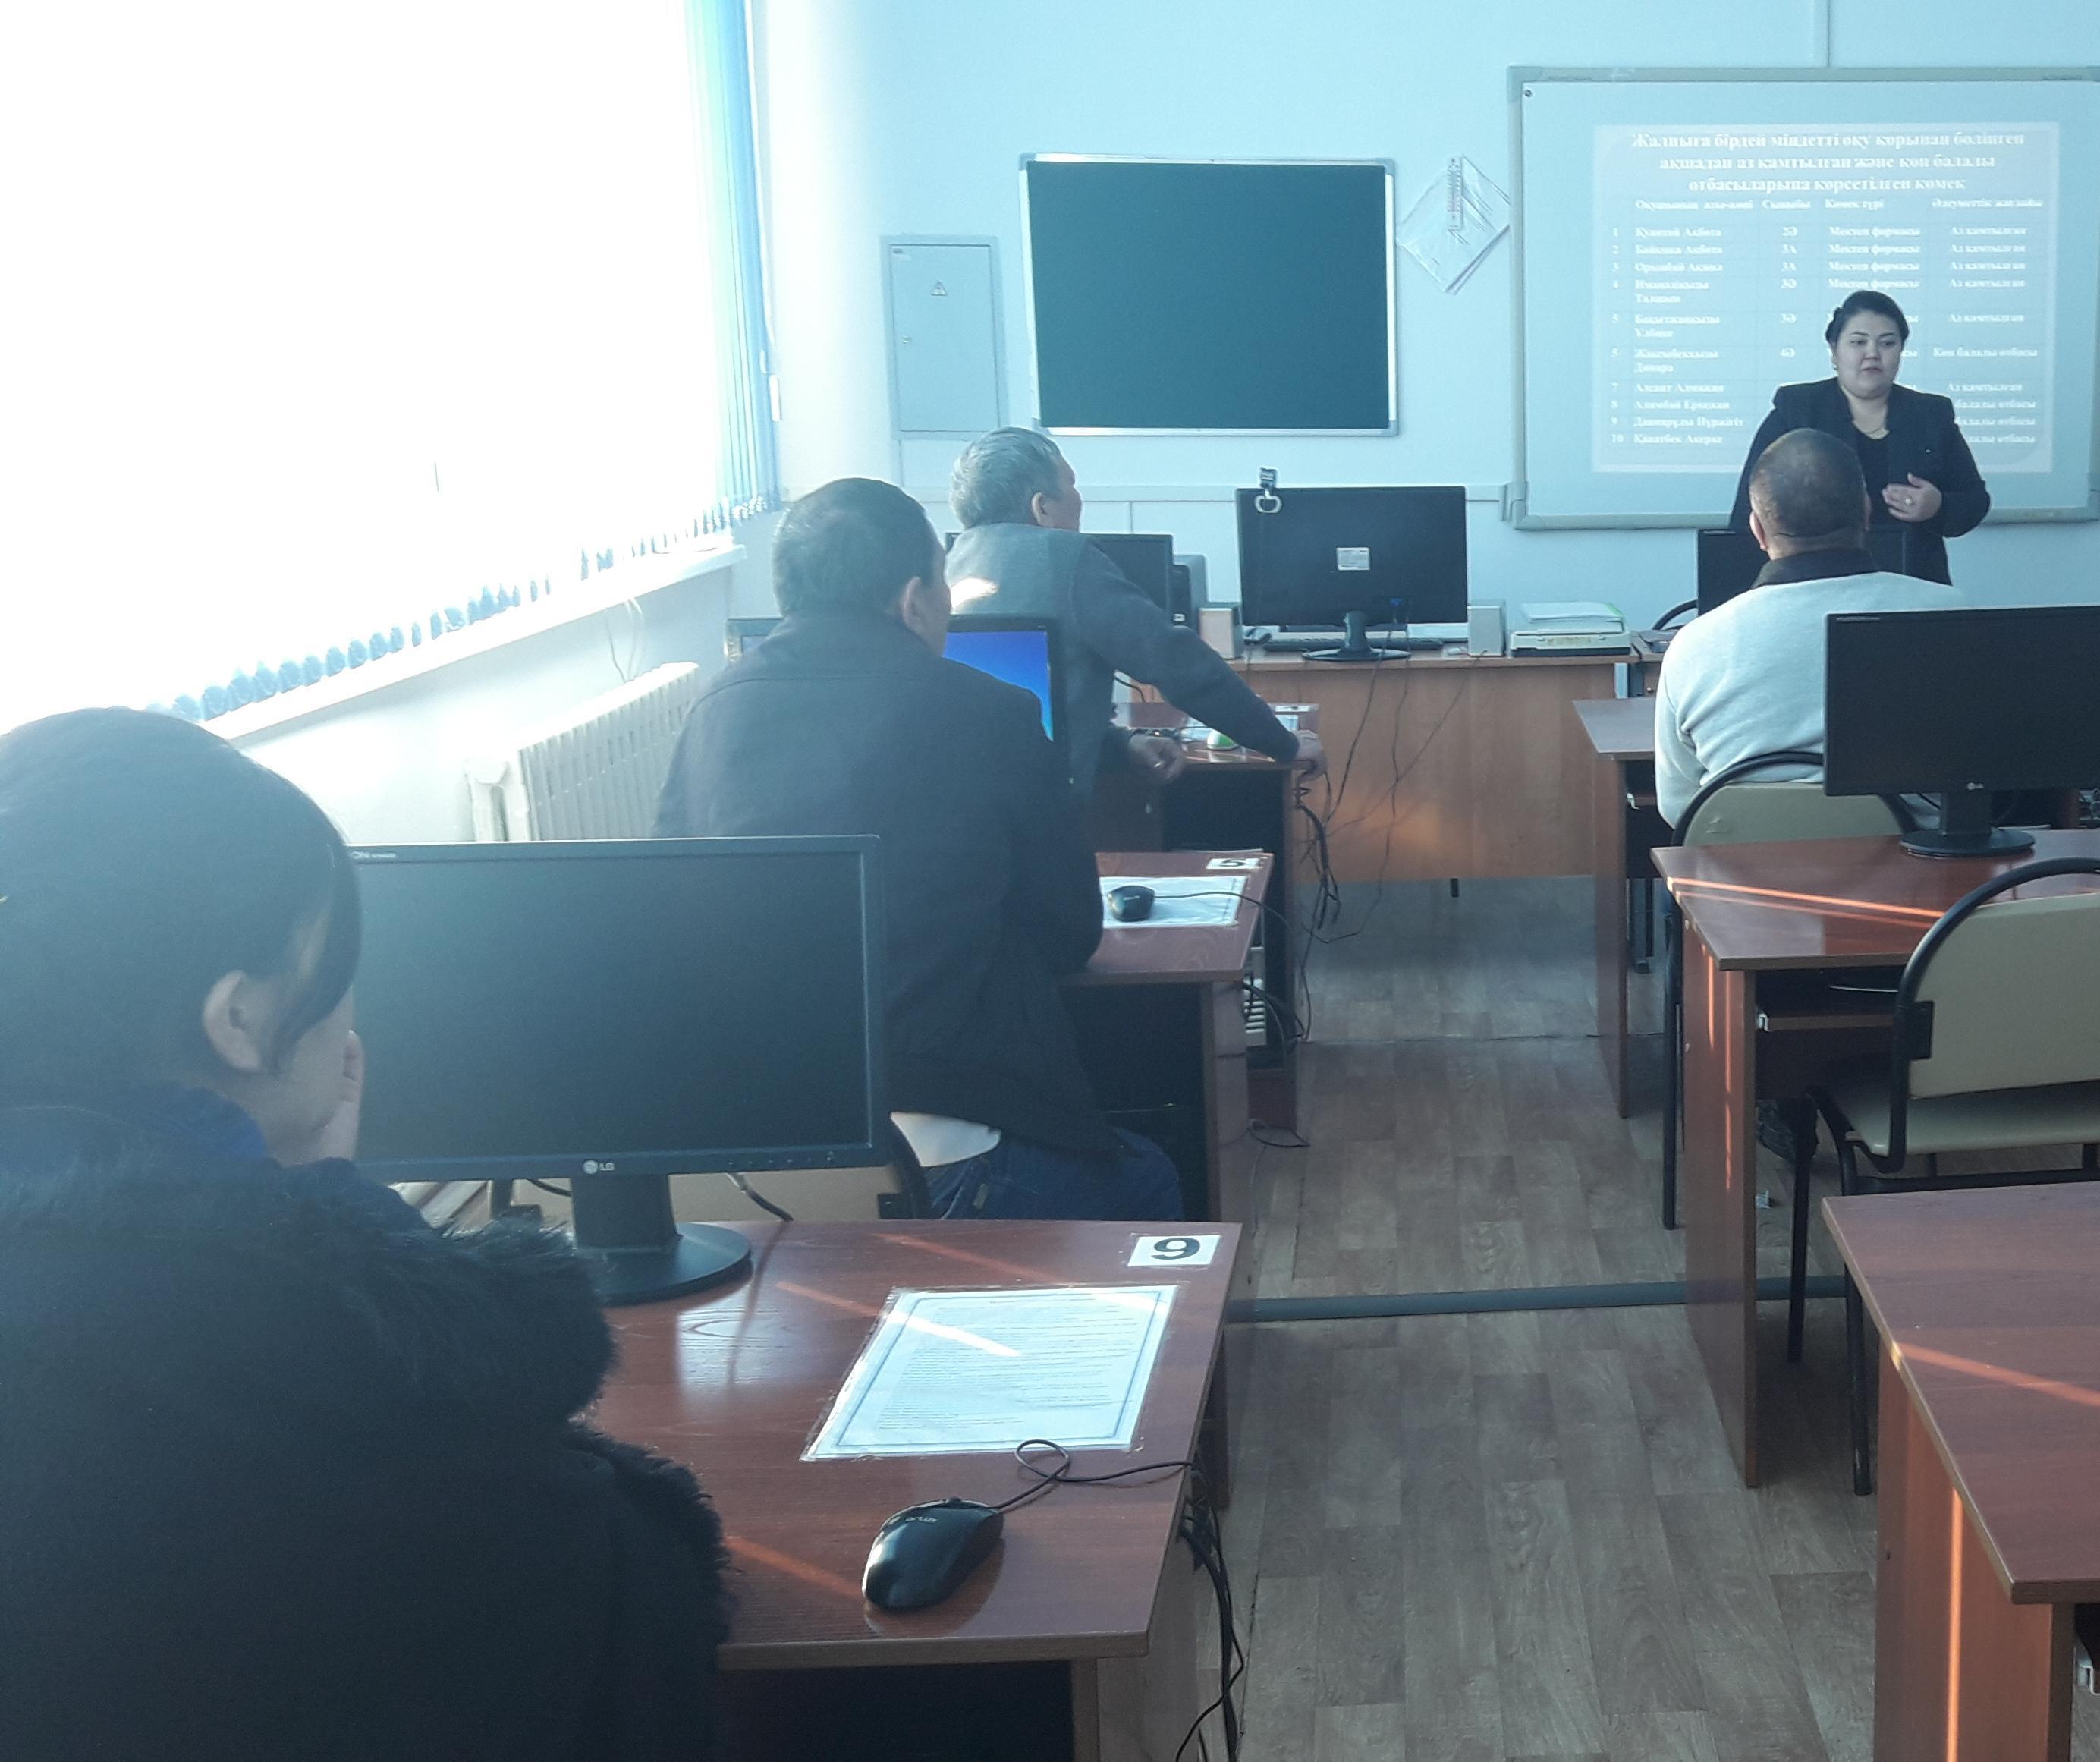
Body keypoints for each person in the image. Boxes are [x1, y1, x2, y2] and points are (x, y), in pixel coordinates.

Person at [0, 709, 727, 1760]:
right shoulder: (327, 1350)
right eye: (339, 963)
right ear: (240, 1020)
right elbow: (624, 1581)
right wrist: (326, 1208)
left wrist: (284, 1197)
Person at [657, 477, 1182, 1220]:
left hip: (756, 1148)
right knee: (1151, 1174)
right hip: (949, 1143)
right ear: (914, 600)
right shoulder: (993, 711)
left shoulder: (713, 711)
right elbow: (1069, 933)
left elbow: (675, 906)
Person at [945, 426, 1322, 795]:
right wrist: (1283, 743)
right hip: (1041, 809)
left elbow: (1023, 717)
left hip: (954, 799)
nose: (1079, 498)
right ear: (1041, 507)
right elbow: (1177, 663)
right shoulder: (1063, 559)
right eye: (1072, 485)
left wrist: (1120, 744)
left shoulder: (948, 568)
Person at [1658, 428, 1966, 823]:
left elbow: (1679, 809)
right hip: (1913, 860)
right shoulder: (1953, 615)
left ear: (1757, 530)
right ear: (1867, 512)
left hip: (1744, 861)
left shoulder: (1695, 644)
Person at [1727, 289, 1990, 586]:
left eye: (1887, 343)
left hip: (1912, 583)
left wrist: (1937, 506)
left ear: (1900, 352)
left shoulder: (1931, 414)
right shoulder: (1797, 410)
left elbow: (1974, 501)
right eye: (1858, 342)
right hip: (1812, 584)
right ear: (1834, 350)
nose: (1873, 353)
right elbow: (1749, 508)